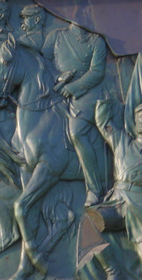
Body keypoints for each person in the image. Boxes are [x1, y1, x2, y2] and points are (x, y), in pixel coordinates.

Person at [42, 23, 107, 207]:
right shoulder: (56, 35)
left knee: (77, 132)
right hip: (57, 89)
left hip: (86, 94)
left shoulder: (96, 41)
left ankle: (94, 189)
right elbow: (43, 60)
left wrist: (73, 87)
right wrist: (59, 78)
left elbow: (97, 72)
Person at [84, 101, 142, 280]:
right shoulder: (123, 141)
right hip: (118, 202)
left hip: (139, 203)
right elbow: (104, 123)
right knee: (89, 221)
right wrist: (103, 101)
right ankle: (114, 274)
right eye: (139, 116)